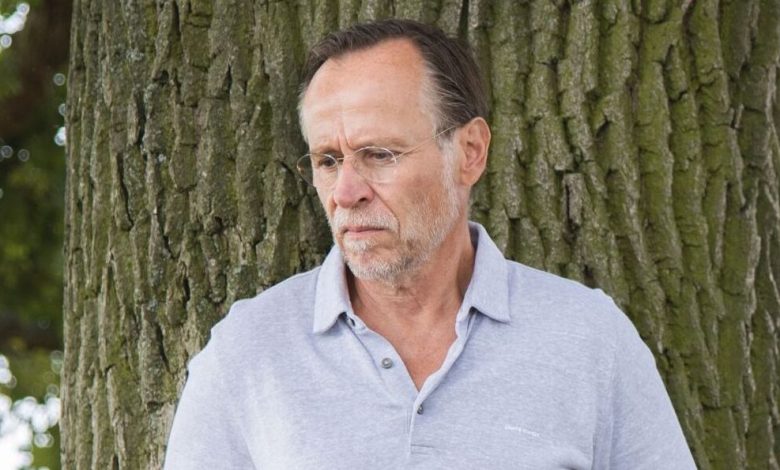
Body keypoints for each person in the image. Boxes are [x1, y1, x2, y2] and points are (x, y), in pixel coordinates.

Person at [164, 19, 696, 469]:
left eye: (379, 154)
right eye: (328, 160)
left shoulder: (590, 340)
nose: (345, 192)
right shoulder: (247, 354)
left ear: (470, 152)